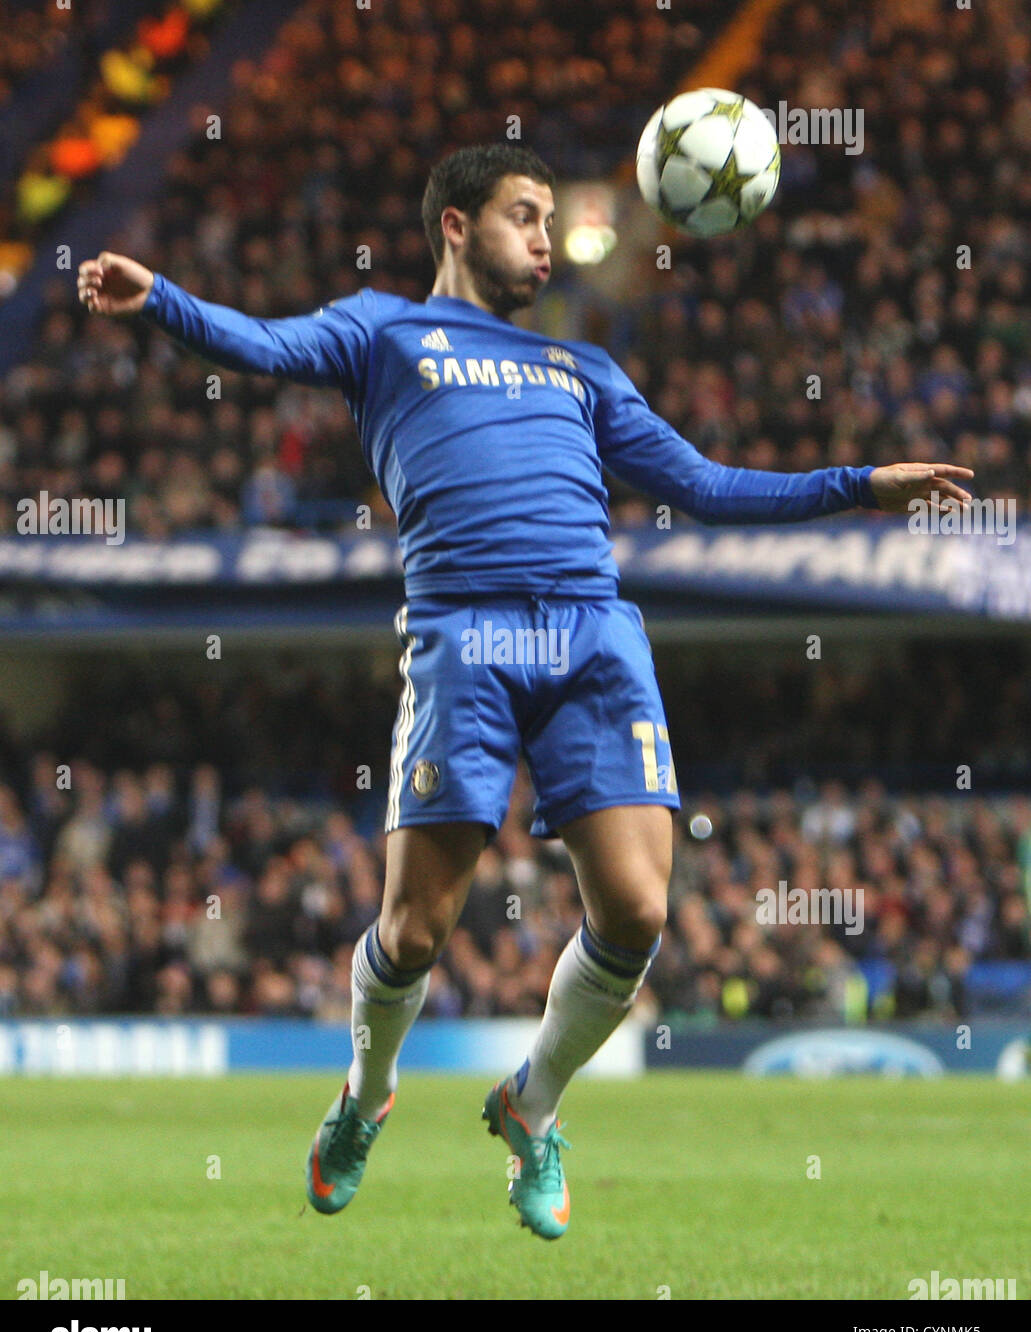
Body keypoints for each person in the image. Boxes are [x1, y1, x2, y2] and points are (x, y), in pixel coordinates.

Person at [77, 142, 973, 1240]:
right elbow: (262, 345)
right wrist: (160, 298)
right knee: (413, 931)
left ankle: (530, 1104)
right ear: (454, 225)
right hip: (464, 636)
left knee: (639, 911)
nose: (545, 237)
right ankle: (365, 1096)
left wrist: (855, 486)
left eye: (550, 217)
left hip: (593, 635)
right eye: (522, 214)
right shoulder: (380, 330)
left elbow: (702, 484)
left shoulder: (580, 370)